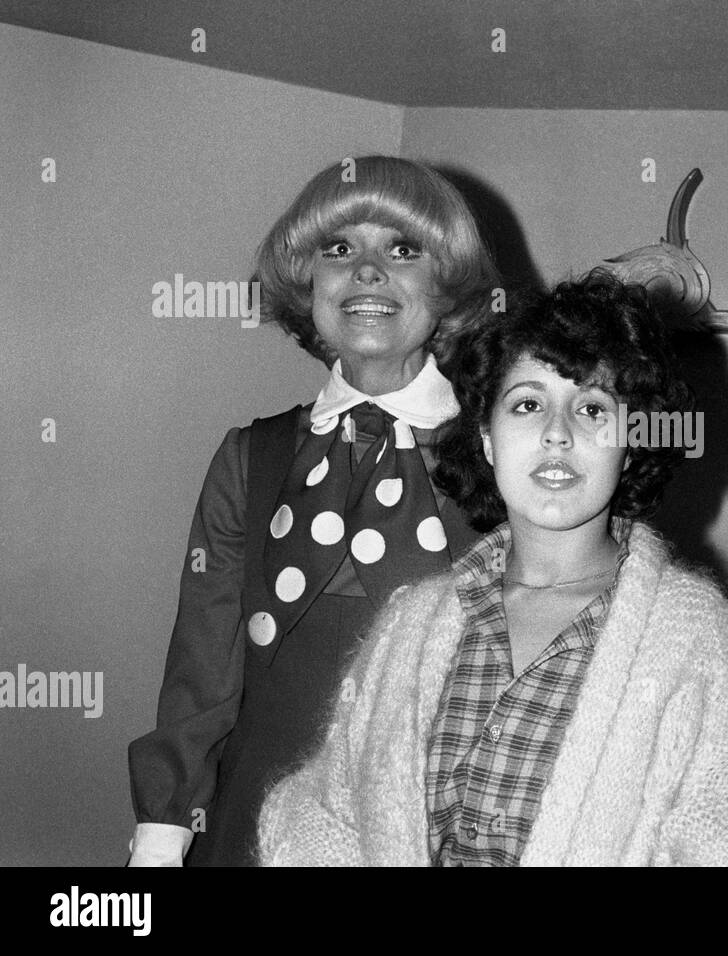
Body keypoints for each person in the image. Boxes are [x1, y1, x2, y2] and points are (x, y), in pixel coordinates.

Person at [258, 271, 728, 866]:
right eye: (528, 404)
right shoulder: (411, 625)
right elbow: (326, 814)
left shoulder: (697, 639)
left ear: (632, 442)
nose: (557, 435)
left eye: (592, 408)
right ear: (487, 437)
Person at [127, 157, 501, 866]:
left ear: (446, 285)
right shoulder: (250, 457)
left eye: (402, 249)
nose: (366, 271)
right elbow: (202, 670)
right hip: (252, 825)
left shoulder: (502, 454)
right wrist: (162, 834)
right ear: (306, 284)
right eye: (338, 249)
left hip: (431, 825)